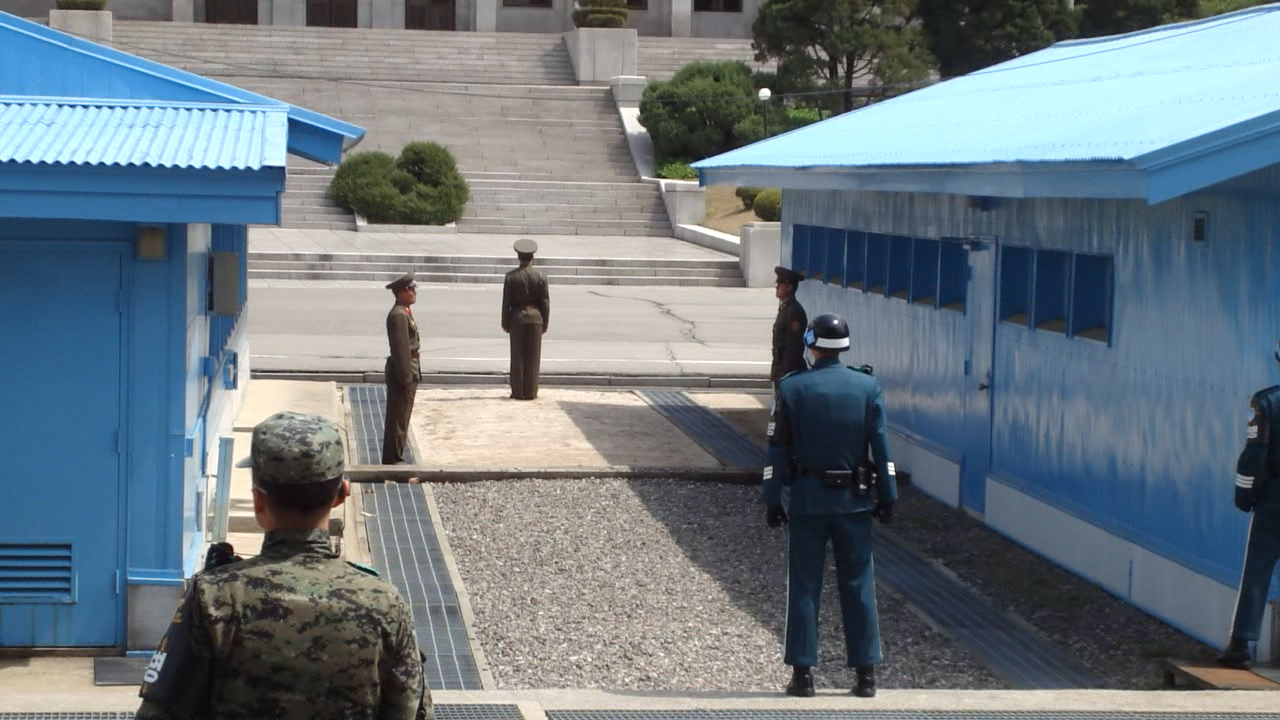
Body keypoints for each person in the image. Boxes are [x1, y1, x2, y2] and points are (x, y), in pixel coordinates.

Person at [136, 412, 432, 720]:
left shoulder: (213, 597)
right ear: (342, 493)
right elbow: (410, 710)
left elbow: (159, 713)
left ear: (258, 501)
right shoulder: (384, 603)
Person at [763, 313, 897, 698]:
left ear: (811, 342)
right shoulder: (867, 386)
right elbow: (882, 447)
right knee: (858, 584)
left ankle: (803, 674)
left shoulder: (792, 388)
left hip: (808, 500)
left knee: (804, 585)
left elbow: (777, 449)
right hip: (854, 500)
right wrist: (888, 495)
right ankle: (866, 675)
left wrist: (772, 498)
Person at [1217, 341, 1280, 670]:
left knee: (1257, 567)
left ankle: (1240, 644)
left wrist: (1244, 496)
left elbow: (1254, 456)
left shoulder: (1265, 402)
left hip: (1274, 497)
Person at [501, 238, 550, 400]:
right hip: (536, 319)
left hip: (517, 319)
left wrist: (505, 322)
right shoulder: (541, 277)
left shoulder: (511, 277)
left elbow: (506, 302)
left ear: (518, 257)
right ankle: (531, 391)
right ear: (532, 257)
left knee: (517, 356)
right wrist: (545, 323)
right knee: (533, 357)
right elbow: (545, 302)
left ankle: (517, 391)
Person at [383, 272, 420, 465]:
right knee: (398, 417)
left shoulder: (404, 312)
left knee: (402, 417)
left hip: (409, 369)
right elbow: (401, 348)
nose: (414, 292)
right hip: (403, 372)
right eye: (411, 289)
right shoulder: (399, 315)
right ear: (401, 292)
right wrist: (405, 377)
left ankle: (395, 456)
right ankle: (393, 459)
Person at [771, 266, 808, 387]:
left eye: (780, 284)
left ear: (789, 287)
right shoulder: (785, 309)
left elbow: (793, 346)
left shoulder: (794, 312)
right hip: (780, 370)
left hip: (788, 373)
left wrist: (786, 376)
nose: (776, 287)